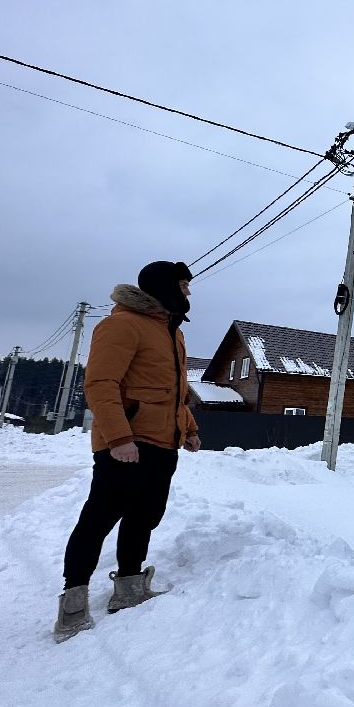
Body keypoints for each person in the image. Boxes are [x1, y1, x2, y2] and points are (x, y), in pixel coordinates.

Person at [54, 260, 202, 642]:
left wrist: (188, 429)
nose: (188, 292)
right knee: (99, 519)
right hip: (126, 445)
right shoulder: (121, 324)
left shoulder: (172, 332)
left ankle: (129, 589)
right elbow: (101, 384)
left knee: (145, 516)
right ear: (165, 287)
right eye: (184, 285)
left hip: (161, 444)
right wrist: (119, 438)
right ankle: (73, 603)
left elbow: (173, 394)